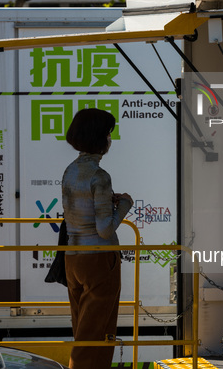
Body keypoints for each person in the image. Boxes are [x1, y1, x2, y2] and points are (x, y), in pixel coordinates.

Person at [61, 108, 133, 369]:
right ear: (100, 138)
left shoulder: (70, 171)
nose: (110, 139)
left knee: (82, 327)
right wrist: (124, 205)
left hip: (73, 259)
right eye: (108, 134)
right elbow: (105, 229)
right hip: (100, 260)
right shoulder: (100, 177)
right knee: (99, 331)